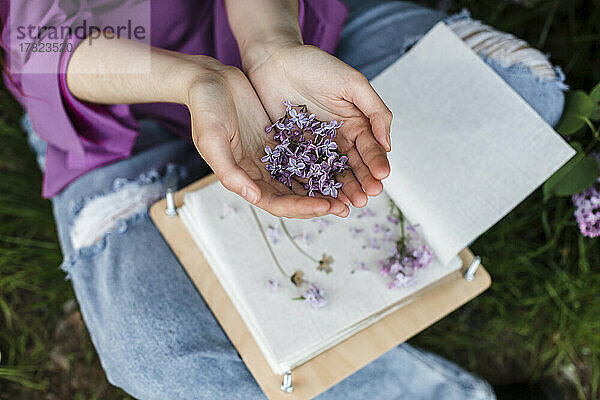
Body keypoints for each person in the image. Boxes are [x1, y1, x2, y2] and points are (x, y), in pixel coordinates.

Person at [1, 0, 565, 398]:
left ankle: (281, 275)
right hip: (114, 111)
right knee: (162, 360)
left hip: (274, 30)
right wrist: (198, 82)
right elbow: (36, 45)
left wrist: (270, 47)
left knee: (523, 90)